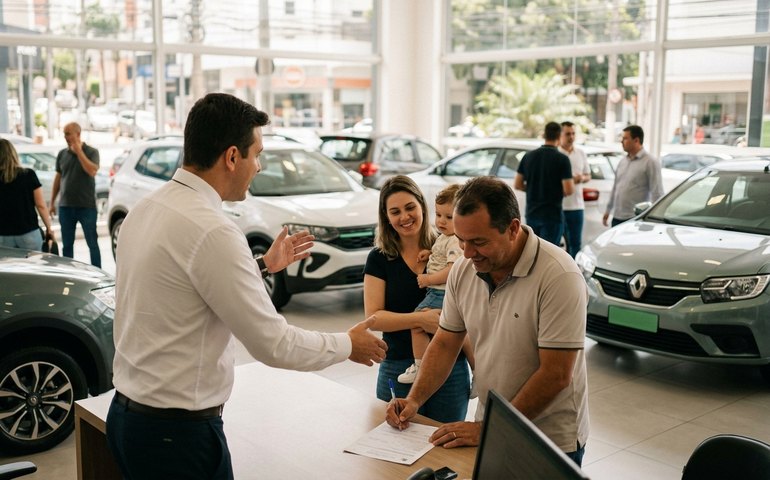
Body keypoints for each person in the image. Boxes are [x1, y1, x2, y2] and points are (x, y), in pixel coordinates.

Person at [106, 93, 387, 480]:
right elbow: (273, 344)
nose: (259, 166)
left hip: (127, 419)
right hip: (177, 436)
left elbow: (182, 288)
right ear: (232, 157)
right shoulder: (213, 230)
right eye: (257, 154)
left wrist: (263, 265)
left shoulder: (147, 209)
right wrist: (347, 344)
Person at [385, 177, 589, 466]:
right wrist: (414, 400)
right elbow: (445, 343)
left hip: (549, 438)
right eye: (461, 240)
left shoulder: (559, 276)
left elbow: (556, 374)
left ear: (513, 228)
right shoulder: (464, 269)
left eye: (479, 242)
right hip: (492, 425)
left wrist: (489, 427)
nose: (467, 253)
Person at [364, 175, 470, 423]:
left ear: (422, 205)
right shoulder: (380, 258)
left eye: (410, 207)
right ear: (386, 217)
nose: (405, 217)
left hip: (451, 368)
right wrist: (421, 320)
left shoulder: (451, 247)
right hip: (399, 365)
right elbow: (374, 318)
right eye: (395, 211)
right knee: (394, 448)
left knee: (447, 450)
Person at [398, 183, 475, 385]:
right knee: (457, 331)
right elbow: (444, 256)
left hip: (440, 292)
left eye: (449, 217)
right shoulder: (446, 238)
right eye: (439, 215)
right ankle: (479, 370)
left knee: (417, 324)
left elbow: (452, 270)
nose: (441, 221)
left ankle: (420, 365)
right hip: (442, 293)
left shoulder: (454, 240)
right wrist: (430, 253)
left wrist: (428, 279)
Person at [514, 121, 574, 245]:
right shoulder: (562, 159)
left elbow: (518, 184)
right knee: (549, 253)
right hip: (552, 215)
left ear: (544, 135)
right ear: (559, 136)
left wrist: (531, 188)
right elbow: (569, 190)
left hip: (532, 213)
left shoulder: (528, 156)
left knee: (532, 251)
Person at [50, 122, 101, 267]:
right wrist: (52, 202)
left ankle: (98, 274)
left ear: (78, 134)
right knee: (67, 245)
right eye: (64, 134)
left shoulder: (92, 152)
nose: (65, 137)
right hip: (66, 207)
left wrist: (79, 152)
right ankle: (69, 273)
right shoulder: (62, 154)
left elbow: (92, 171)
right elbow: (58, 178)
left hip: (86, 206)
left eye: (68, 133)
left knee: (92, 243)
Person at [603, 125, 664, 227]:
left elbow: (657, 193)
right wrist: (608, 210)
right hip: (617, 217)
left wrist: (654, 220)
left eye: (625, 138)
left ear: (636, 140)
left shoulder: (650, 162)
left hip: (635, 219)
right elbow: (615, 188)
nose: (622, 141)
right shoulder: (622, 161)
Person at [0, 139, 55, 249]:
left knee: (6, 266)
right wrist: (49, 228)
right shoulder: (29, 175)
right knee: (33, 265)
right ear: (13, 154)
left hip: (2, 234)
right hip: (28, 233)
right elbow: (40, 205)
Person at [558, 121, 591, 258]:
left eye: (573, 133)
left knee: (575, 244)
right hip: (559, 207)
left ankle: (574, 276)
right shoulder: (556, 154)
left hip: (577, 207)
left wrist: (581, 178)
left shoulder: (581, 153)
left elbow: (588, 175)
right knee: (555, 246)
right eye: (567, 134)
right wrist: (569, 181)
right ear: (560, 135)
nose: (571, 137)